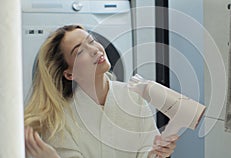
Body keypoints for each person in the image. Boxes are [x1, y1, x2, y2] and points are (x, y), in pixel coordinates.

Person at [24, 25, 178, 158]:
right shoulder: (60, 120)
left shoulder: (133, 97)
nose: (94, 50)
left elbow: (147, 151)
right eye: (79, 52)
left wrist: (158, 152)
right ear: (69, 74)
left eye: (91, 41)